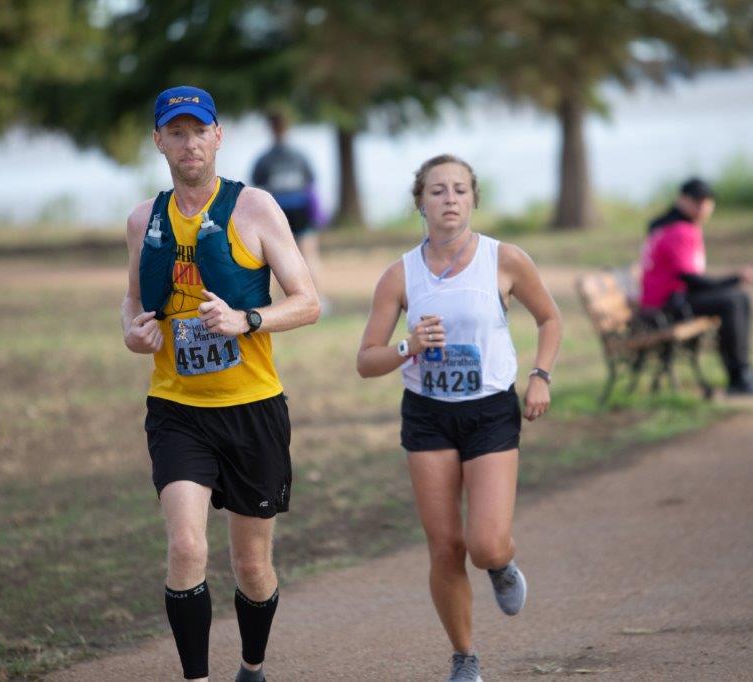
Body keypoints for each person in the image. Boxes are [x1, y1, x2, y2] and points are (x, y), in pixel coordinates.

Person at [121, 85, 320, 682]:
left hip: (252, 407)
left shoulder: (254, 208)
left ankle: (252, 668)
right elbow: (132, 299)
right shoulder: (143, 220)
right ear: (159, 141)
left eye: (198, 131)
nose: (189, 144)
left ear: (218, 136)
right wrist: (133, 332)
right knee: (186, 547)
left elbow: (308, 302)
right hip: (177, 407)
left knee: (252, 567)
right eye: (176, 133)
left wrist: (246, 320)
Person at [356, 154, 563, 682]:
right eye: (437, 190)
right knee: (446, 547)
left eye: (459, 189)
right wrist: (408, 345)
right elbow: (366, 360)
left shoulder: (505, 259)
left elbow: (549, 318)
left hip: (490, 411)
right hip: (428, 416)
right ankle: (465, 656)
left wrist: (541, 375)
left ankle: (500, 564)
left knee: (484, 544)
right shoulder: (399, 275)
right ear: (420, 203)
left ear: (473, 199)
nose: (449, 199)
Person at [640, 177, 753, 395]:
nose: (703, 206)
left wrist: (733, 281)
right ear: (682, 200)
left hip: (668, 302)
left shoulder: (669, 225)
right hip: (665, 308)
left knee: (736, 298)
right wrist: (734, 279)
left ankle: (743, 372)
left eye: (707, 201)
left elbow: (690, 280)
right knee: (732, 301)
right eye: (697, 201)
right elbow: (691, 280)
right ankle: (739, 376)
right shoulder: (679, 230)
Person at [250, 111, 328, 313]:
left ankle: (274, 303)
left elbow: (256, 189)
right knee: (310, 254)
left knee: (273, 258)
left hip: (278, 210)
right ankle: (319, 299)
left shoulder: (264, 159)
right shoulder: (300, 156)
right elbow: (311, 185)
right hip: (300, 208)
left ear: (270, 129)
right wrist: (318, 215)